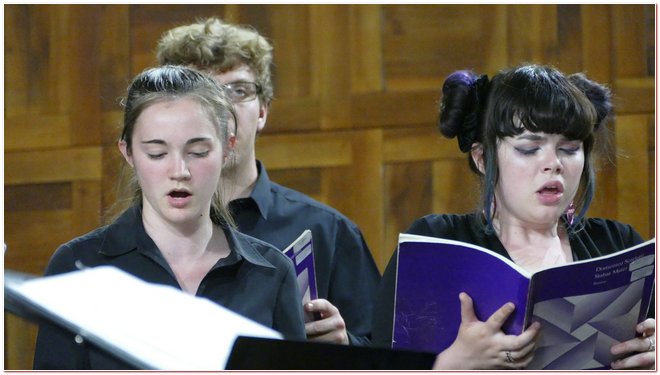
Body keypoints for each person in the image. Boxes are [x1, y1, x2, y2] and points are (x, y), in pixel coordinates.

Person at [372, 64, 656, 370]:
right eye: (529, 148)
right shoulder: (436, 244)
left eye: (569, 148)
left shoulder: (618, 245)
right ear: (482, 158)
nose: (553, 163)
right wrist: (452, 365)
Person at [33, 65, 306, 369]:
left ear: (227, 148)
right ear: (128, 153)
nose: (179, 171)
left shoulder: (271, 272)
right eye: (157, 153)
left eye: (199, 152)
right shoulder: (76, 267)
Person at [156, 17, 381, 346]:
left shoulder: (328, 231)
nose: (222, 108)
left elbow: (386, 355)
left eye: (238, 91)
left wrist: (346, 346)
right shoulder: (138, 235)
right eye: (202, 91)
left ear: (263, 110)